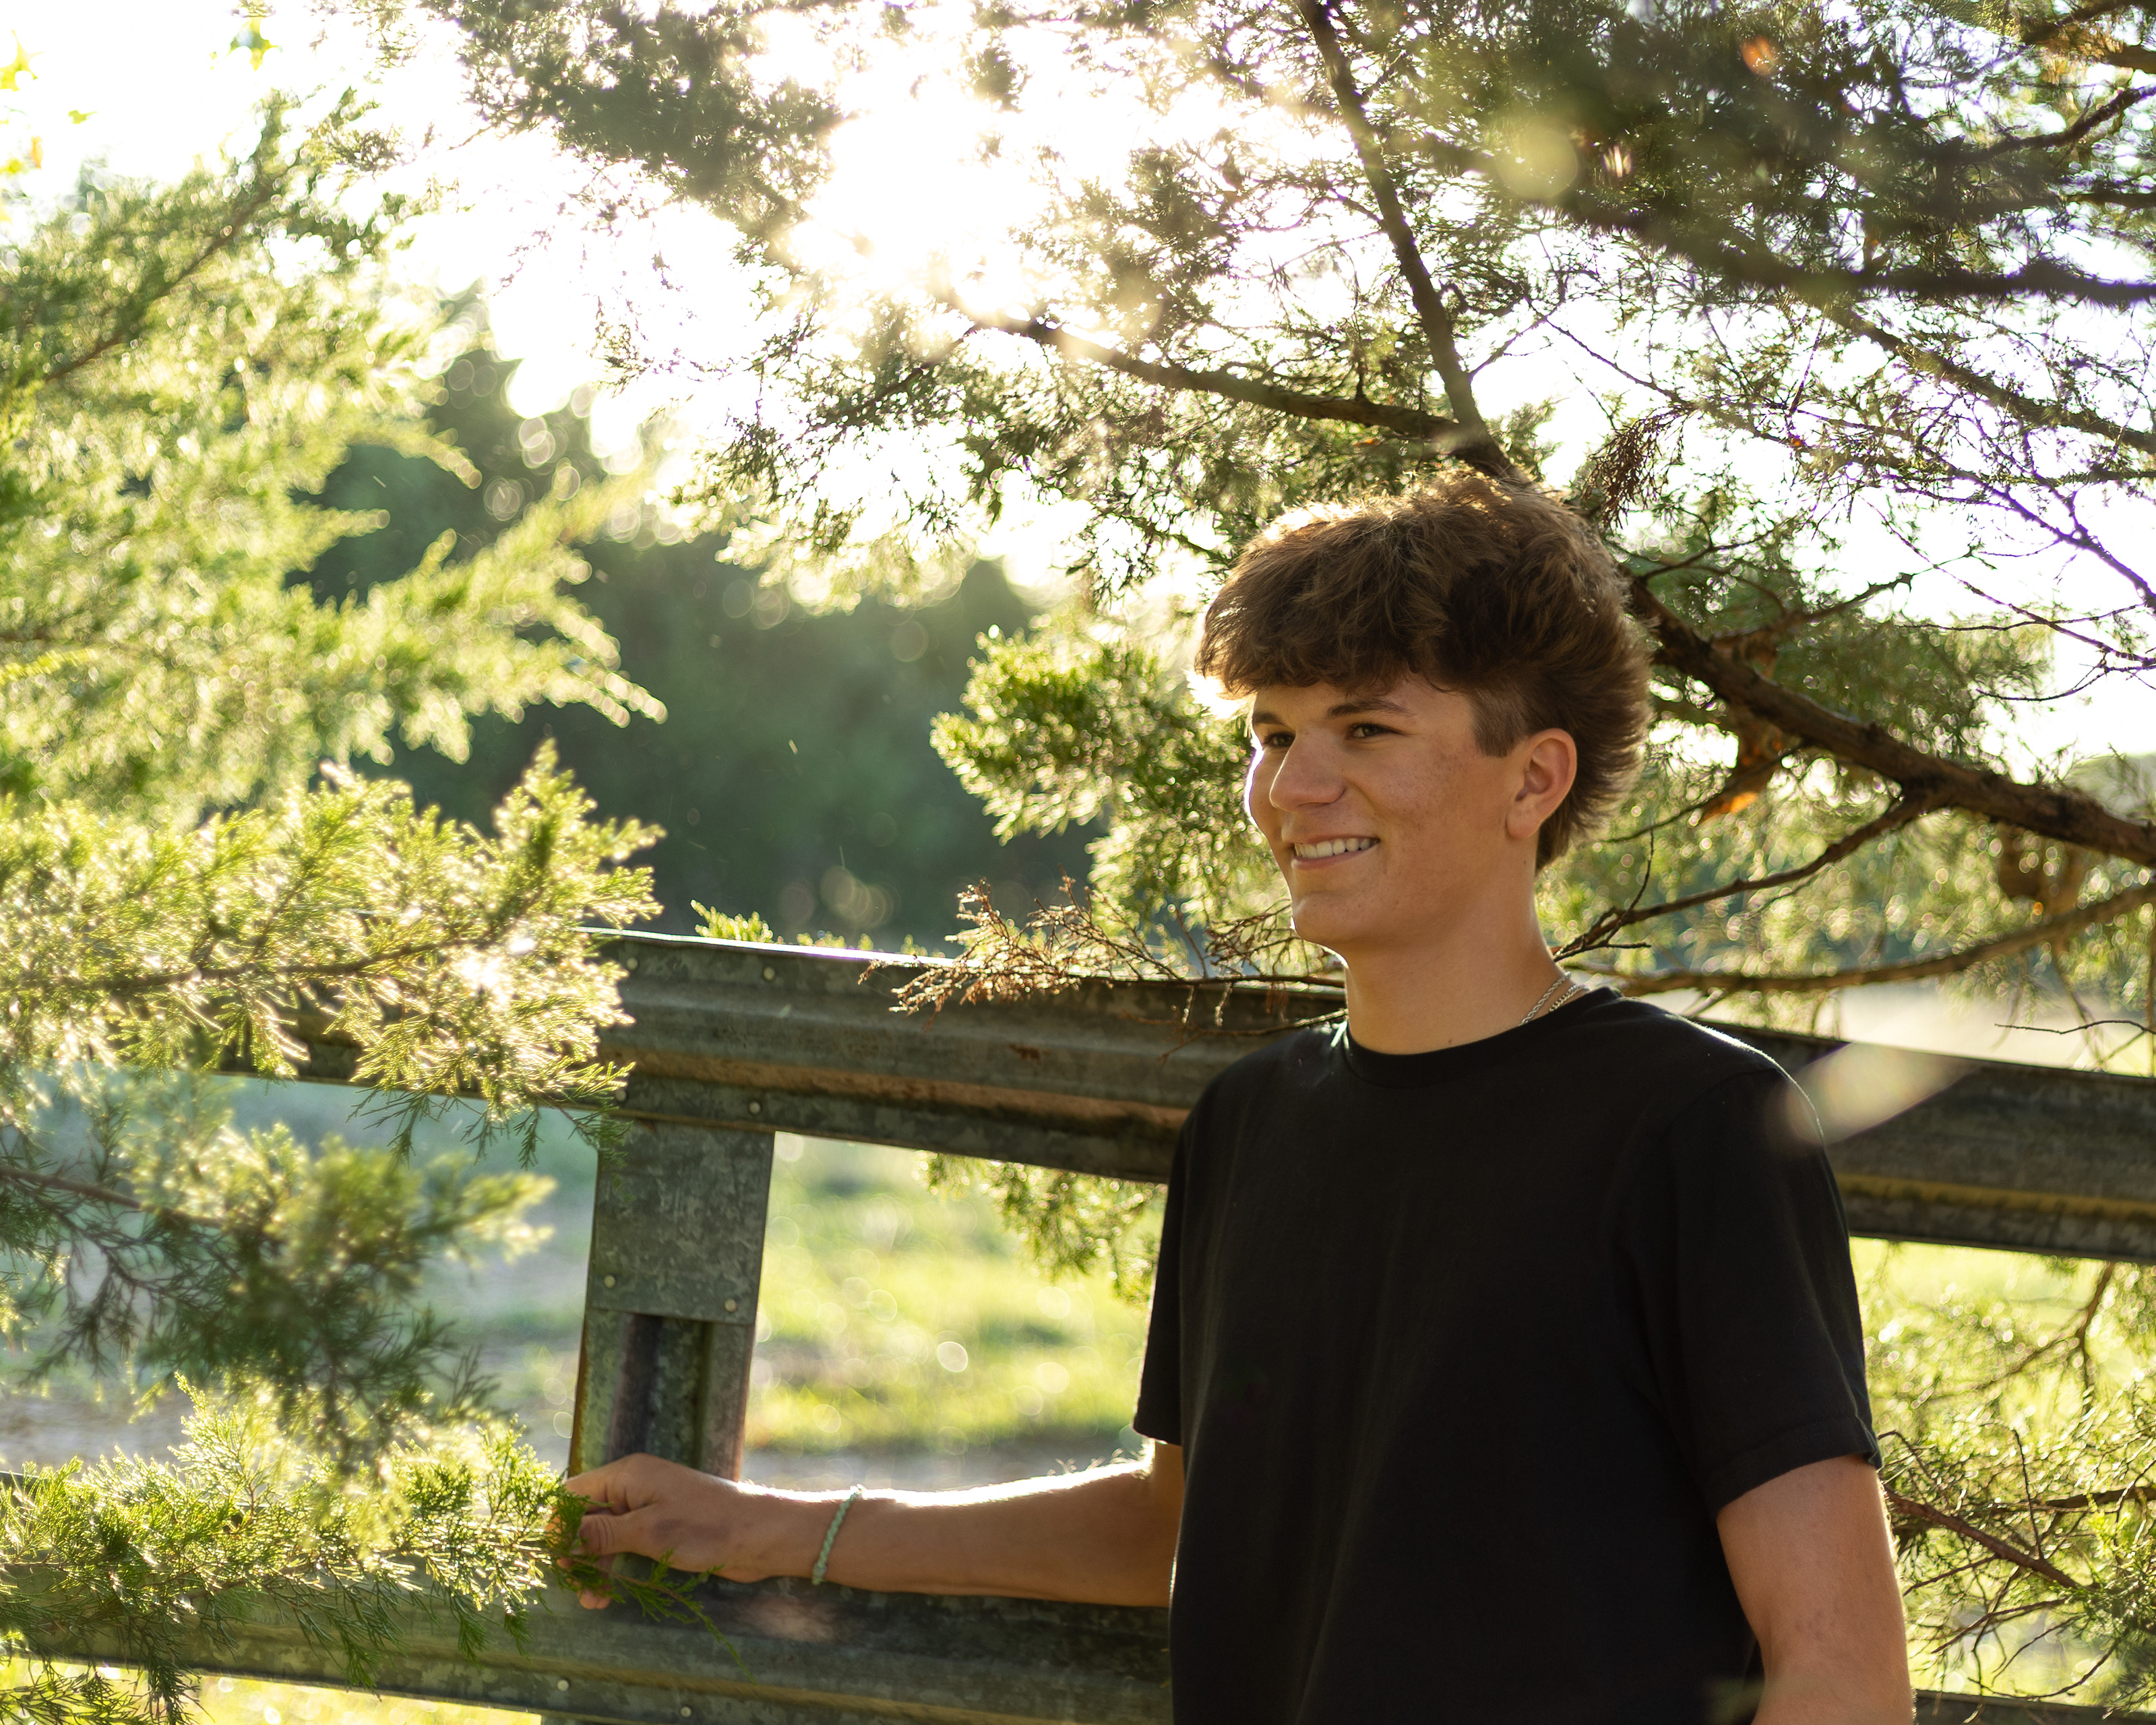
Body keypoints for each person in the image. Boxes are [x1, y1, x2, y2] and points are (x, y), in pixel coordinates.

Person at [565, 472, 1914, 1725]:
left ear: (1535, 777)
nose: (1295, 787)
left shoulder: (1692, 1129)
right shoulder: (1252, 1121)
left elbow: (1841, 1667)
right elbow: (1175, 1529)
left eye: (1366, 728)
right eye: (1273, 733)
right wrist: (770, 1525)